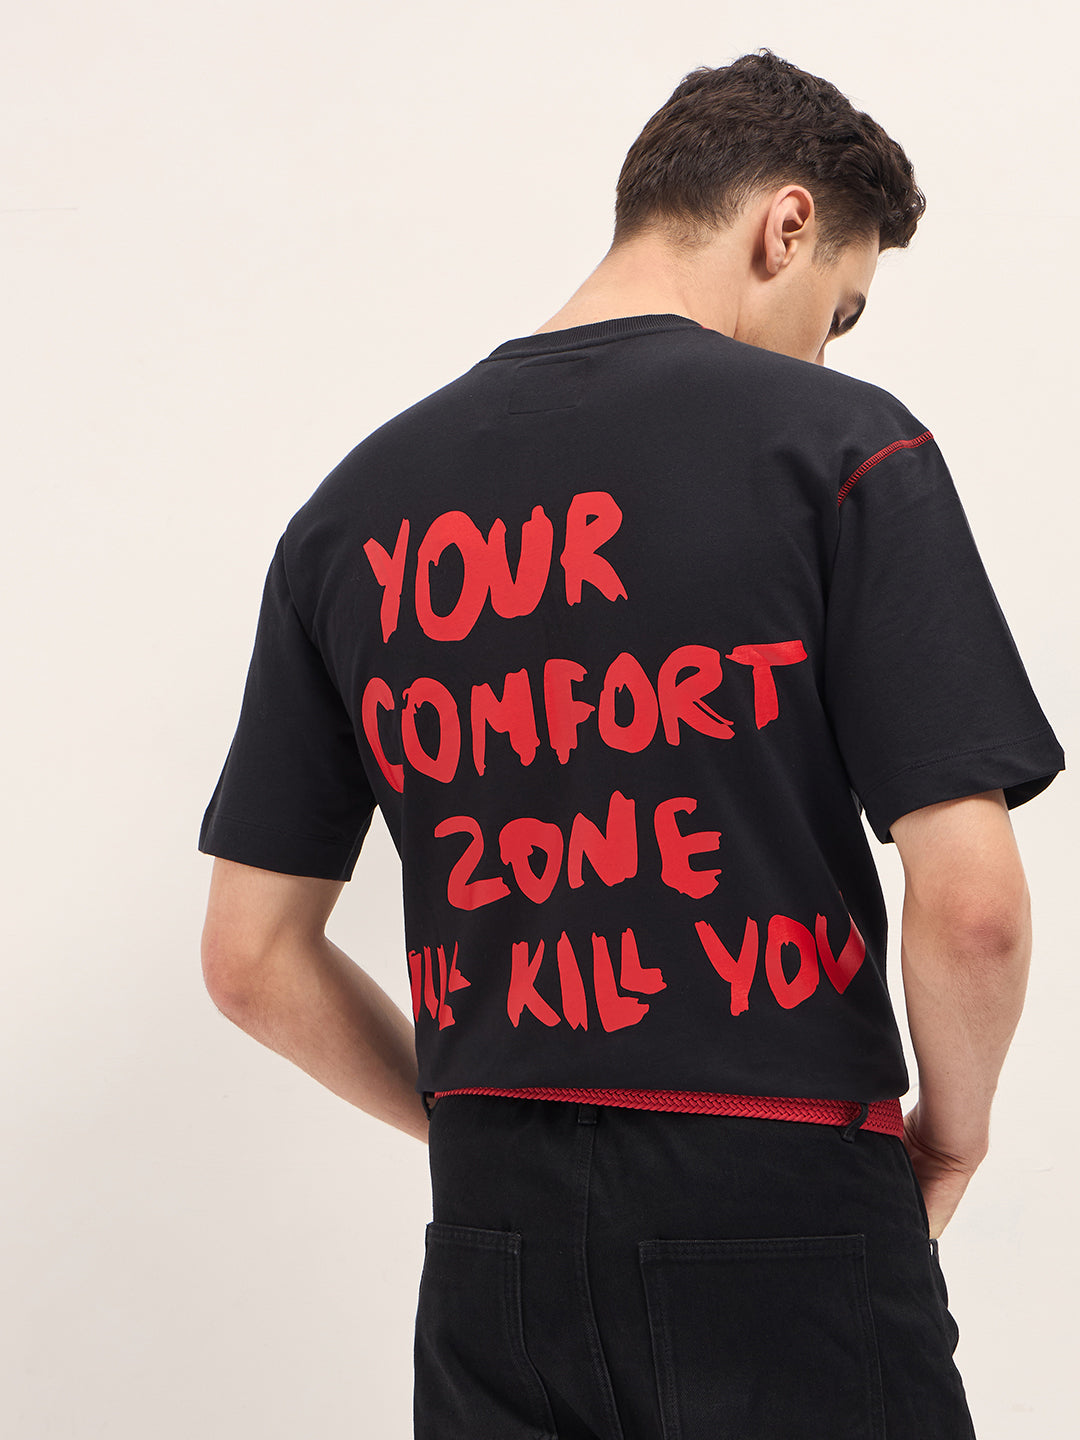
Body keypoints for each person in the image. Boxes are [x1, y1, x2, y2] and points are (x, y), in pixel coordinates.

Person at [197, 48, 1065, 1440]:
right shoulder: (838, 448)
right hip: (792, 1203)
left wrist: (483, 1126)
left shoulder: (349, 515)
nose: (827, 351)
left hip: (495, 1243)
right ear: (786, 223)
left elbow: (250, 960)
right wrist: (952, 1141)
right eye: (838, 310)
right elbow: (975, 912)